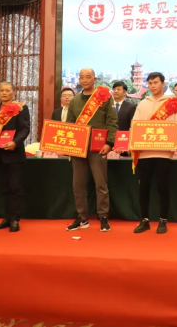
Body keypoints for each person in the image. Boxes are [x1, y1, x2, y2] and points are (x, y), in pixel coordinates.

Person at [133, 72, 177, 234]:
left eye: (155, 82)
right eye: (150, 83)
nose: (152, 86)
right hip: (144, 153)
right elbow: (134, 126)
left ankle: (163, 220)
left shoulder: (171, 103)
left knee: (163, 188)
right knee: (144, 188)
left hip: (164, 153)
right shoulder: (142, 104)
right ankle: (144, 220)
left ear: (163, 84)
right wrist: (130, 144)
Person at [65, 68, 118, 232]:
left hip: (98, 147)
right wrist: (68, 144)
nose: (85, 80)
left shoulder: (104, 97)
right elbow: (70, 123)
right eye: (82, 77)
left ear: (95, 79)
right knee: (78, 185)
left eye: (88, 77)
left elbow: (112, 121)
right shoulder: (75, 100)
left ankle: (103, 217)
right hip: (78, 147)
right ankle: (82, 218)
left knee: (100, 184)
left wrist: (109, 143)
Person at [0, 82, 31, 233]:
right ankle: (6, 218)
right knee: (4, 189)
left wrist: (15, 142)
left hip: (14, 154)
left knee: (15, 188)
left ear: (14, 93)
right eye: (2, 90)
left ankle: (15, 219)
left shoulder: (21, 108)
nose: (4, 93)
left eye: (7, 90)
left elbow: (25, 129)